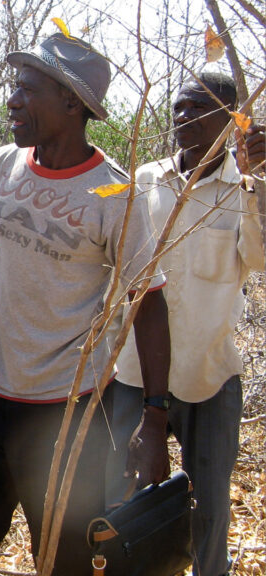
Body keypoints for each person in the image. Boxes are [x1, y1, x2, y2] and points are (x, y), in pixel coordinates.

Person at [0, 34, 172, 575]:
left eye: (28, 89)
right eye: (14, 86)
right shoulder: (2, 168)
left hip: (70, 410)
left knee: (64, 560)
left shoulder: (116, 197)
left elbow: (148, 304)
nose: (12, 100)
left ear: (71, 102)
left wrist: (155, 420)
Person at [107, 72, 265, 576]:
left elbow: (259, 259)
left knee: (210, 508)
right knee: (121, 499)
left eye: (197, 106)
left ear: (230, 119)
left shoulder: (244, 188)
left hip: (209, 375)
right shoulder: (144, 182)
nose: (181, 118)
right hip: (134, 372)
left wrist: (257, 181)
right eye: (177, 107)